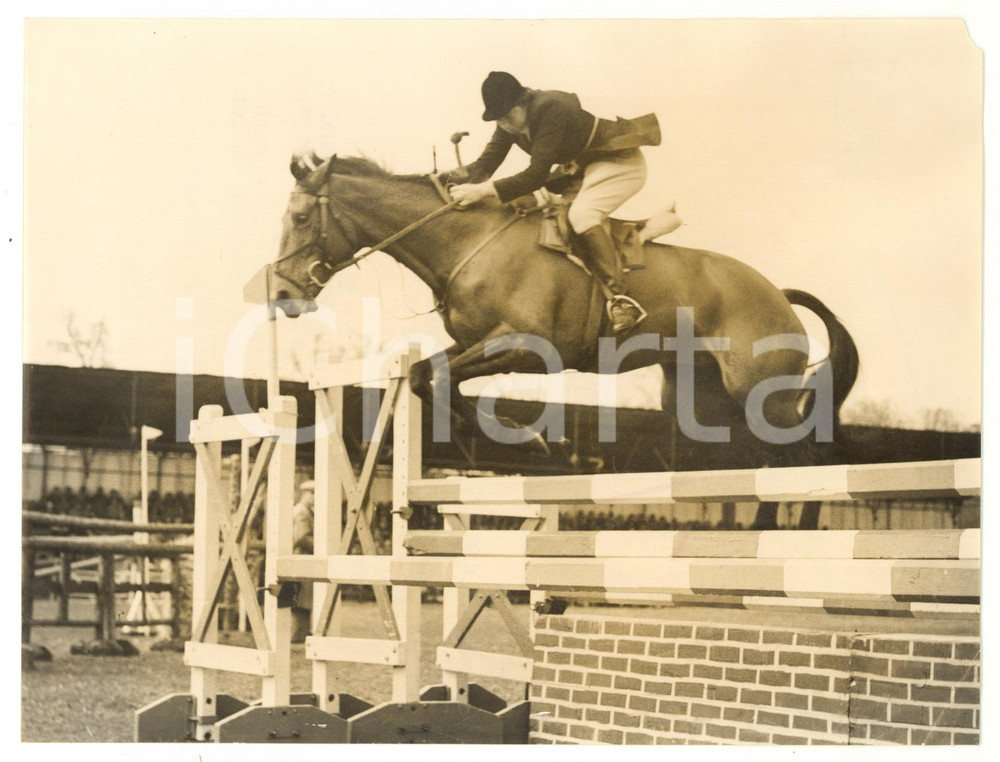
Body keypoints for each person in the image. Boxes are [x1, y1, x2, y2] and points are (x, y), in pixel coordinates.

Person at [447, 71, 663, 333]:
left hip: (621, 164)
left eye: (507, 116)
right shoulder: (510, 122)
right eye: (498, 119)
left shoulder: (551, 109)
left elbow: (535, 175)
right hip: (583, 168)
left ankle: (623, 301)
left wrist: (481, 191)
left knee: (581, 216)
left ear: (523, 102)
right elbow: (487, 163)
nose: (504, 124)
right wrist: (452, 180)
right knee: (538, 210)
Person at [291, 479, 316, 644]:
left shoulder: (307, 511)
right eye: (313, 494)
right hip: (301, 557)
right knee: (302, 598)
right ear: (307, 494)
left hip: (304, 558)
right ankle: (299, 633)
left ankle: (303, 632)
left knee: (305, 598)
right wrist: (320, 547)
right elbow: (301, 537)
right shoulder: (302, 512)